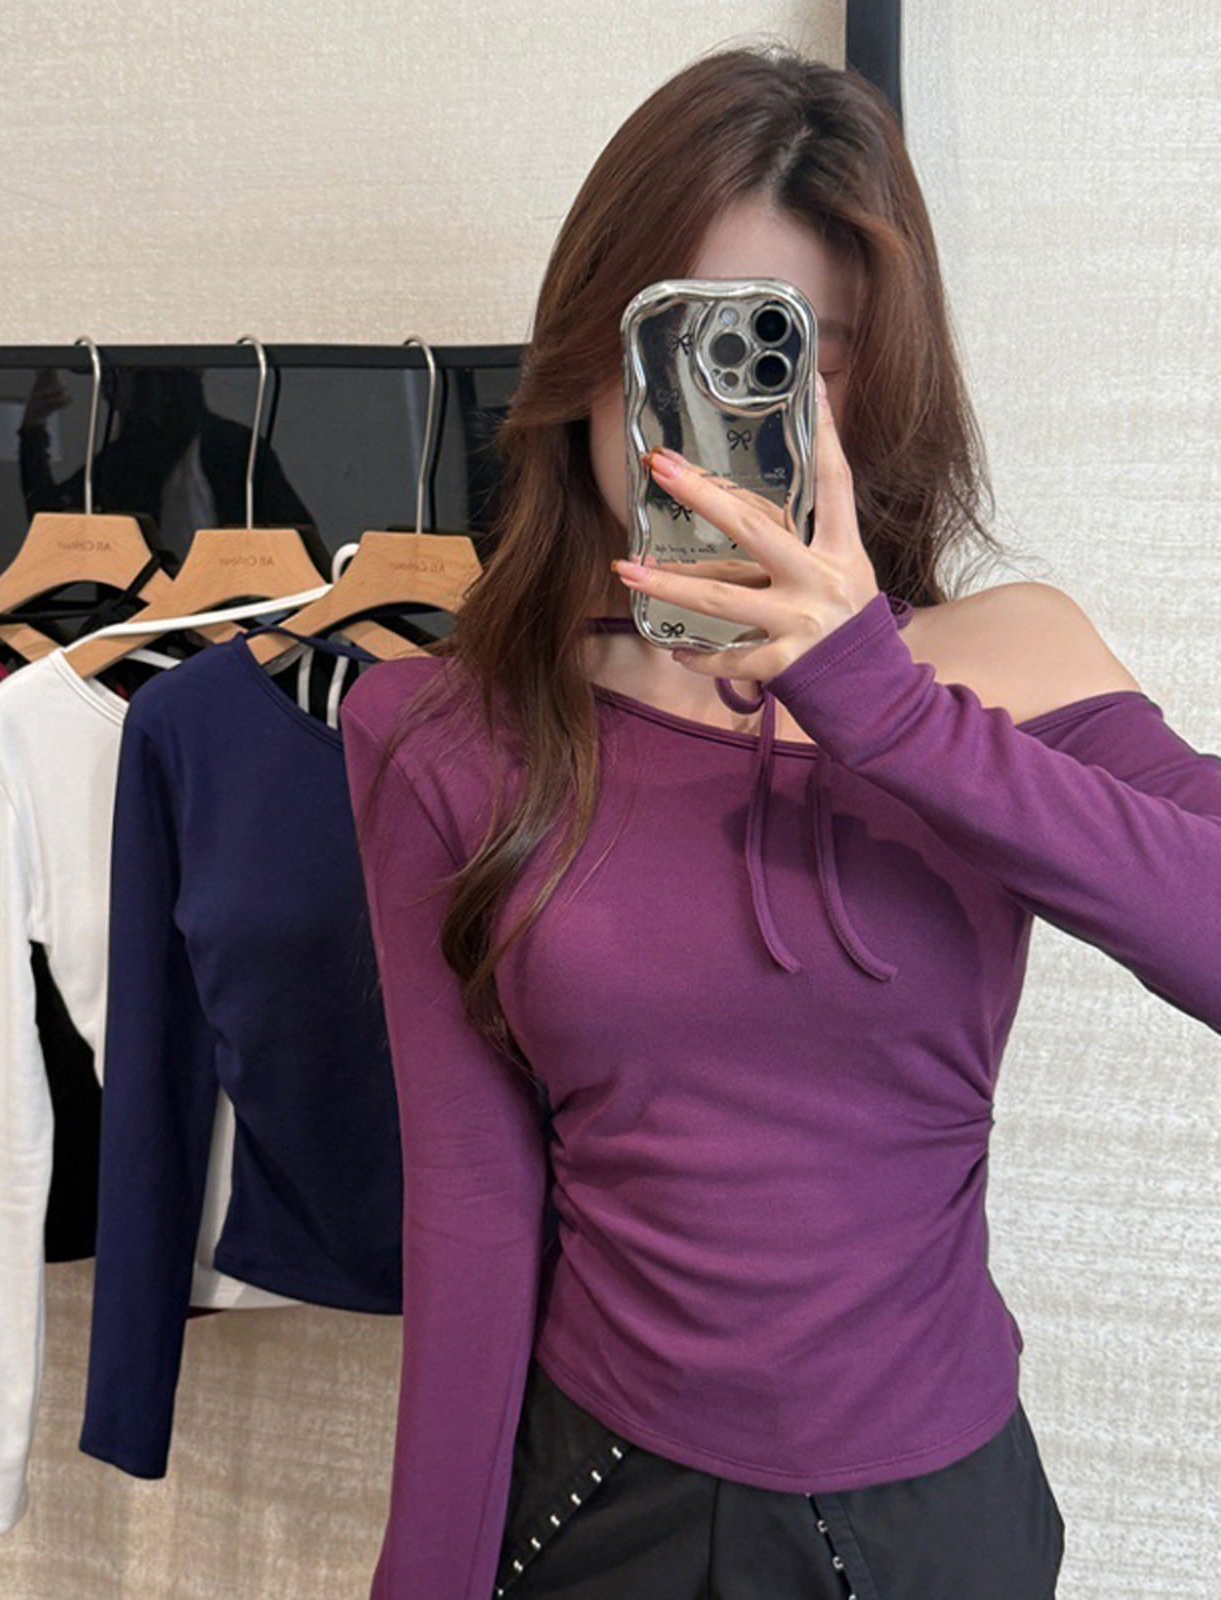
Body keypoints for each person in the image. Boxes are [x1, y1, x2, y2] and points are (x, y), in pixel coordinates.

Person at [338, 41, 1221, 1600]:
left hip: (946, 1523)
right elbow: (472, 1194)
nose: (744, 409)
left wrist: (882, 701)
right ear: (589, 356)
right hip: (602, 1500)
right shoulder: (441, 732)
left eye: (806, 350)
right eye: (693, 339)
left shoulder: (1007, 661)